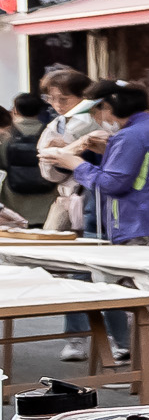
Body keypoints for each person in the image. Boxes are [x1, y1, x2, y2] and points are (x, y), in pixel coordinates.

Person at [69, 80, 149, 380]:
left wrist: (74, 162)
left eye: (97, 109)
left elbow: (114, 183)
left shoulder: (131, 136)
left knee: (147, 299)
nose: (96, 117)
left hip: (138, 222)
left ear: (110, 107)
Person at [33, 69, 100, 360]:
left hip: (89, 199)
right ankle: (79, 337)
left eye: (65, 98)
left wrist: (66, 152)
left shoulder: (92, 122)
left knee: (88, 271)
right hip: (67, 199)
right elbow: (46, 164)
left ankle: (102, 339)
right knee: (75, 270)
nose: (58, 104)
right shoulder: (57, 123)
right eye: (52, 98)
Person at [4, 94, 55, 227]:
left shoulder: (6, 134)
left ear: (15, 110)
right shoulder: (51, 131)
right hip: (47, 200)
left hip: (14, 199)